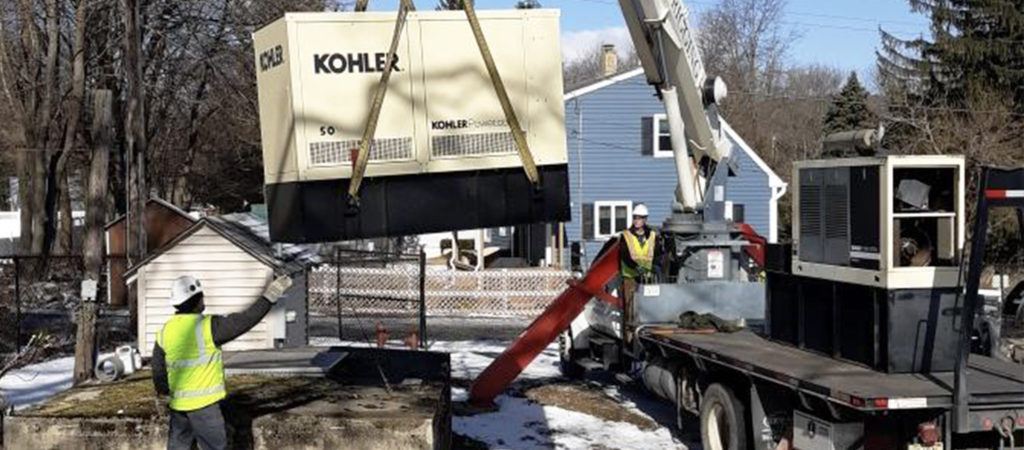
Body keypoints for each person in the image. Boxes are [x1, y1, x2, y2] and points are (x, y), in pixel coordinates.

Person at [152, 273, 292, 450]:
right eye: (201, 297)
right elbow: (245, 320)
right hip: (205, 409)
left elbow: (157, 369)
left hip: (179, 409)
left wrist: (163, 392)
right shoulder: (208, 327)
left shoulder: (165, 331)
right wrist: (270, 296)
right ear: (197, 300)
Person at [619, 204, 662, 342]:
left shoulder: (653, 236)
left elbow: (658, 254)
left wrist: (654, 266)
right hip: (631, 277)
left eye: (639, 218)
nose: (636, 220)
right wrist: (636, 267)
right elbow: (624, 254)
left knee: (649, 308)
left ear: (645, 220)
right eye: (635, 218)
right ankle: (629, 339)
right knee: (631, 309)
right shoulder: (626, 235)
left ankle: (648, 335)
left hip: (648, 278)